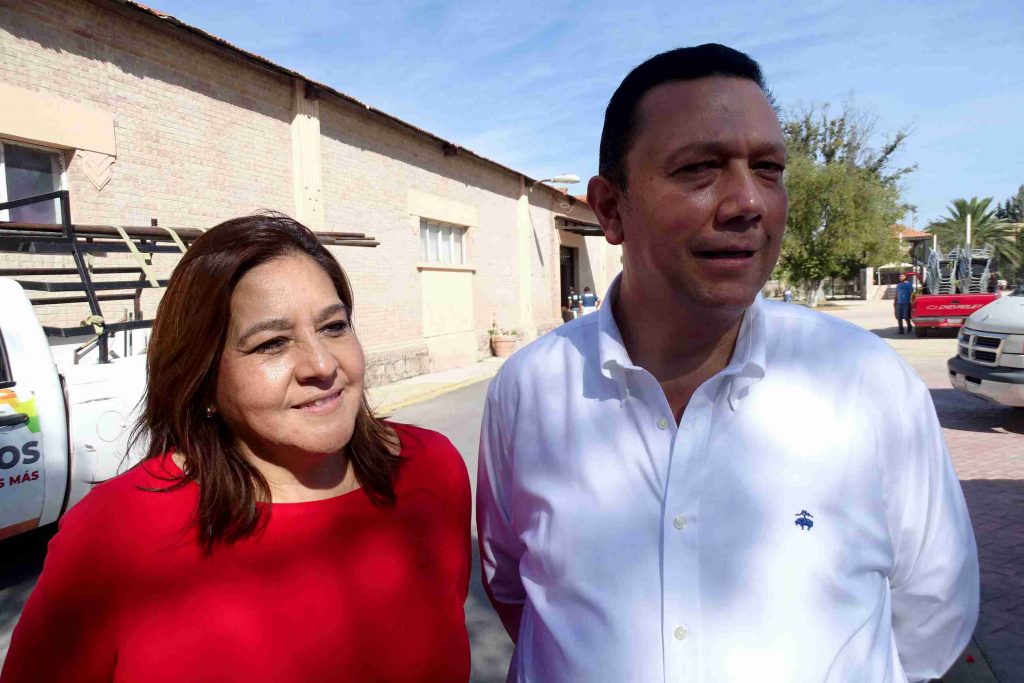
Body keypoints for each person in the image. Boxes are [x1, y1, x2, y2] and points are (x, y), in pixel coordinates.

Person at [477, 44, 977, 683]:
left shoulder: (867, 381)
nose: (748, 202)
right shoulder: (529, 390)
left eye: (768, 168)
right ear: (610, 209)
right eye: (699, 168)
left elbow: (931, 613)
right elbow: (515, 590)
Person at [2, 214, 471, 682]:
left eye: (333, 327)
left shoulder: (431, 468)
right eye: (272, 343)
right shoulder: (111, 534)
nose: (322, 364)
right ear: (203, 379)